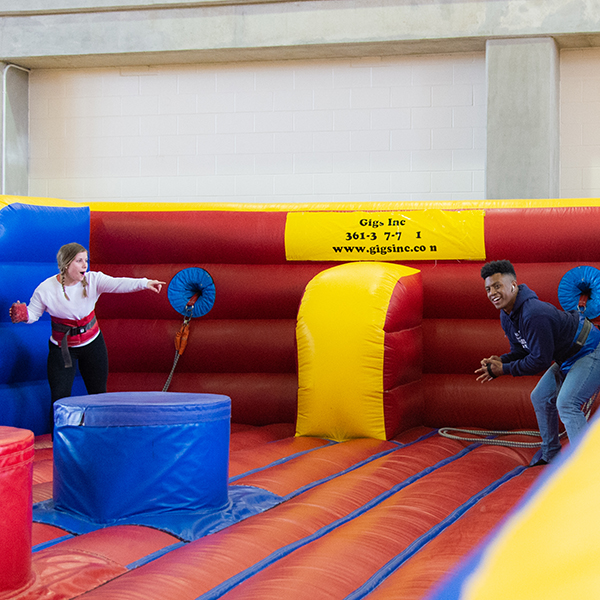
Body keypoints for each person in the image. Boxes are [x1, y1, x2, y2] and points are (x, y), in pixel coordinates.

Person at [9, 242, 166, 430]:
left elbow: (119, 283)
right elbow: (33, 314)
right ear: (66, 264)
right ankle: (60, 444)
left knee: (98, 394)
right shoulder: (46, 289)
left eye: (86, 260)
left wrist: (145, 283)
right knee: (59, 398)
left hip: (92, 344)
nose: (85, 265)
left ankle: (99, 437)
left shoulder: (93, 280)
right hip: (62, 349)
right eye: (79, 261)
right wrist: (23, 315)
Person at [475, 259, 600, 465]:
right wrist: (501, 360)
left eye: (497, 286)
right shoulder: (507, 315)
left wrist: (504, 369)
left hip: (590, 349)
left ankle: (587, 468)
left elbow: (540, 360)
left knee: (567, 403)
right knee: (540, 397)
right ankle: (551, 455)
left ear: (513, 285)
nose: (492, 293)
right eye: (488, 289)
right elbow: (521, 350)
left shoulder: (534, 313)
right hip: (567, 355)